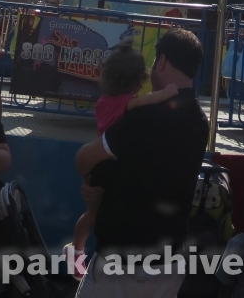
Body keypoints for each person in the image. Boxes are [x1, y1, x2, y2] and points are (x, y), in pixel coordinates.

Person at [74, 28, 208, 298]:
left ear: (162, 61)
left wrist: (93, 182)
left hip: (123, 262)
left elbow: (84, 160)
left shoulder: (145, 116)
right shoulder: (199, 120)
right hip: (169, 262)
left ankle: (74, 254)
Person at [70, 45, 181, 274]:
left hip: (100, 161)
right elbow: (144, 101)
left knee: (92, 213)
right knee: (96, 212)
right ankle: (77, 252)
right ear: (138, 79)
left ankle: (76, 250)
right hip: (109, 161)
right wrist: (168, 92)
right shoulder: (126, 103)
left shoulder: (104, 102)